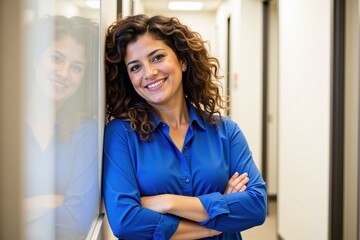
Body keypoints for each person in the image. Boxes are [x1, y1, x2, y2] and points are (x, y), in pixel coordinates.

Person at [103, 14, 267, 240]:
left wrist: (167, 202)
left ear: (182, 60)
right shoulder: (121, 134)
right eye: (135, 67)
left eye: (157, 57)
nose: (149, 73)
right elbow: (126, 222)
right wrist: (215, 221)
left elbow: (256, 206)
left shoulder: (226, 131)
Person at [24, 15, 100, 240]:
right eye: (56, 58)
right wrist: (51, 200)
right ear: (35, 58)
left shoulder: (86, 131)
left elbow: (76, 220)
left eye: (76, 68)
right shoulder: (7, 122)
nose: (64, 73)